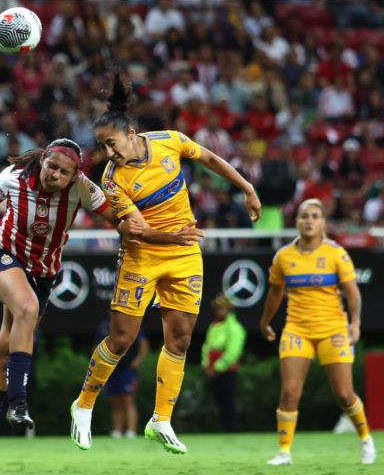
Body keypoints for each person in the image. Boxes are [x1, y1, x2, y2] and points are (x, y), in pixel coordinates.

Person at [70, 73, 262, 454]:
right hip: (144, 255)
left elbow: (208, 158)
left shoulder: (170, 141)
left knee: (181, 338)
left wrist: (247, 187)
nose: (109, 153)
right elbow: (135, 231)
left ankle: (160, 420)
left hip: (184, 252)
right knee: (122, 338)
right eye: (103, 147)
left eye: (111, 144)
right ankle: (84, 404)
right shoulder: (113, 179)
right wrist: (173, 236)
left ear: (131, 132)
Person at [0, 138, 129, 475]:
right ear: (43, 160)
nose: (56, 175)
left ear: (74, 175)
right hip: (2, 254)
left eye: (64, 172)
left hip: (43, 273)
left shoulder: (82, 189)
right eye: (52, 167)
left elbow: (118, 217)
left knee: (3, 352)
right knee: (28, 309)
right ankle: (18, 401)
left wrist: (149, 231)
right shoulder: (16, 176)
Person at [259, 198, 375, 466]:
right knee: (289, 392)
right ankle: (284, 452)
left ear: (323, 222)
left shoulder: (337, 253)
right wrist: (265, 322)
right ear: (296, 221)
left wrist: (355, 323)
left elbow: (352, 293)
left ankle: (366, 440)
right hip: (296, 329)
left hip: (332, 329)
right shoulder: (284, 256)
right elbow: (275, 293)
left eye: (314, 216)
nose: (308, 220)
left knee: (345, 394)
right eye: (303, 216)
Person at [94, 319, 149, 439]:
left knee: (128, 398)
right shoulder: (104, 326)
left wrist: (138, 360)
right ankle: (117, 431)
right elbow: (97, 345)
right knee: (115, 401)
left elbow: (143, 343)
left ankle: (130, 431)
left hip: (127, 368)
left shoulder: (132, 323)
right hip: (110, 368)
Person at [201, 293, 246, 433]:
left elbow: (233, 351)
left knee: (228, 400)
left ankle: (232, 429)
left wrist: (218, 367)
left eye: (222, 308)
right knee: (218, 400)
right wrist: (206, 364)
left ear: (229, 309)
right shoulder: (214, 325)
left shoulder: (234, 327)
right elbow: (207, 346)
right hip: (212, 369)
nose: (219, 311)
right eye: (217, 308)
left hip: (227, 370)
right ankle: (224, 428)